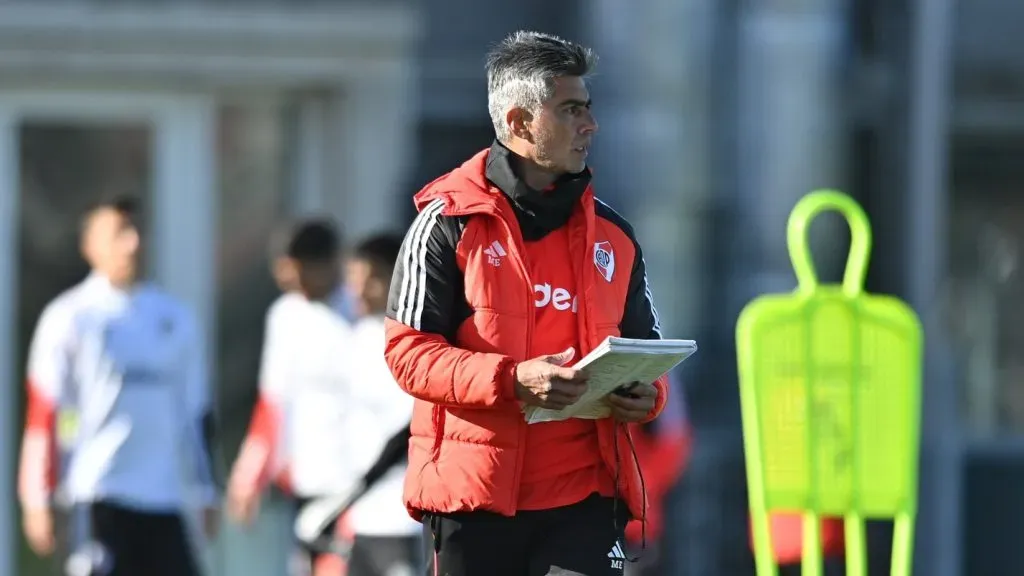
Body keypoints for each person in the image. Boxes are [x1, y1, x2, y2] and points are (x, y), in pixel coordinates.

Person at [383, 30, 668, 576]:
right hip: (475, 501)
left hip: (586, 500)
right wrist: (512, 379)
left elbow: (646, 354)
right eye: (571, 110)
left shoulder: (617, 236)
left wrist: (644, 395)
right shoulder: (445, 223)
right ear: (518, 123)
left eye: (589, 108)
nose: (590, 125)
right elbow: (407, 353)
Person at [18, 195, 219, 576]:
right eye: (119, 233)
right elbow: (47, 413)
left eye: (137, 232)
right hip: (98, 496)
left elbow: (197, 412)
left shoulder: (175, 318)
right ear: (90, 245)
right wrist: (37, 496)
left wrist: (206, 490)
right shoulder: (70, 318)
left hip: (163, 498)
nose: (132, 244)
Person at [226, 217, 355, 575]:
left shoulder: (363, 311)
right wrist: (248, 477)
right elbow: (272, 405)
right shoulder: (285, 316)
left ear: (327, 264)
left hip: (357, 483)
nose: (292, 285)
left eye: (299, 274)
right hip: (307, 482)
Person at [333, 232, 421, 575]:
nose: (359, 289)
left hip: (403, 520)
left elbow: (409, 427)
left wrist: (365, 481)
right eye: (354, 279)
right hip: (362, 519)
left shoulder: (412, 340)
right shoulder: (354, 339)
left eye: (371, 279)